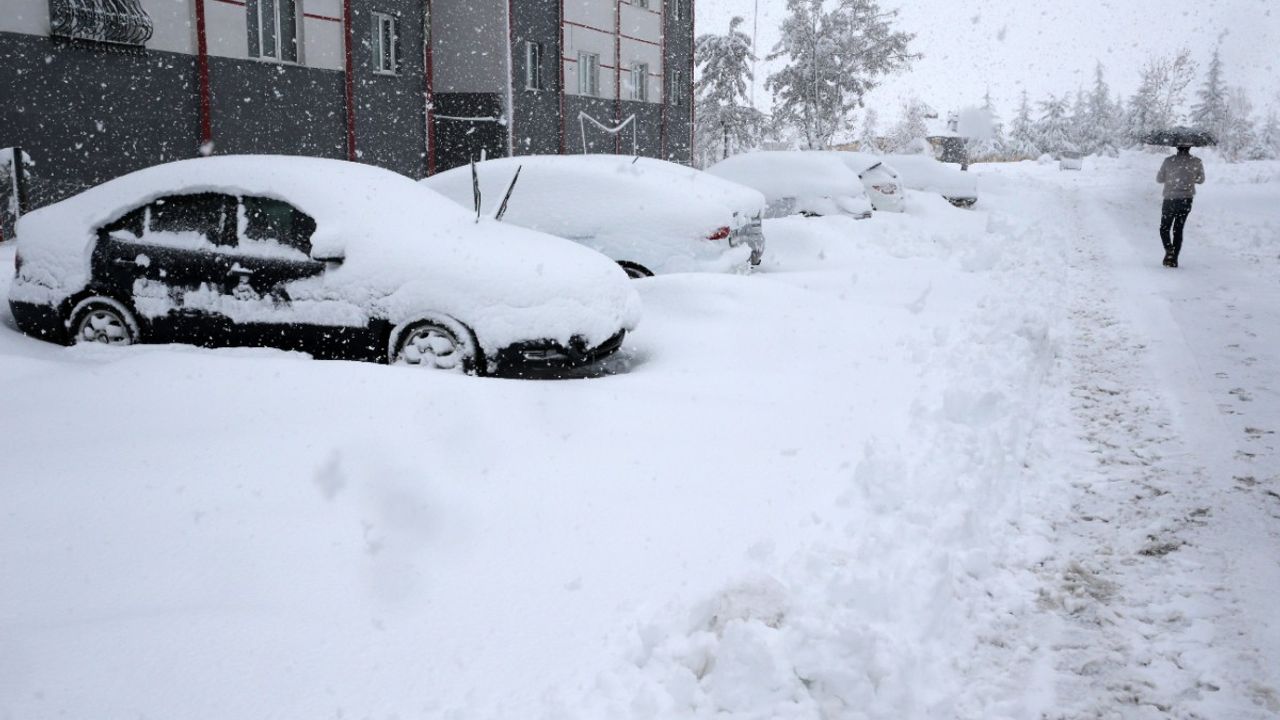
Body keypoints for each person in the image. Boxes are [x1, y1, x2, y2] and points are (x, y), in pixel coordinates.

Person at [1156, 146, 1205, 268]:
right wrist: (1190, 177)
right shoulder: (1196, 161)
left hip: (1170, 199)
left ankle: (1169, 250)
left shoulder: (1168, 161)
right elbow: (1201, 179)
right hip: (1186, 199)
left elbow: (1159, 179)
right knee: (1178, 229)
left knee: (1164, 227)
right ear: (1189, 147)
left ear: (1177, 147)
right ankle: (1174, 259)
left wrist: (1171, 177)